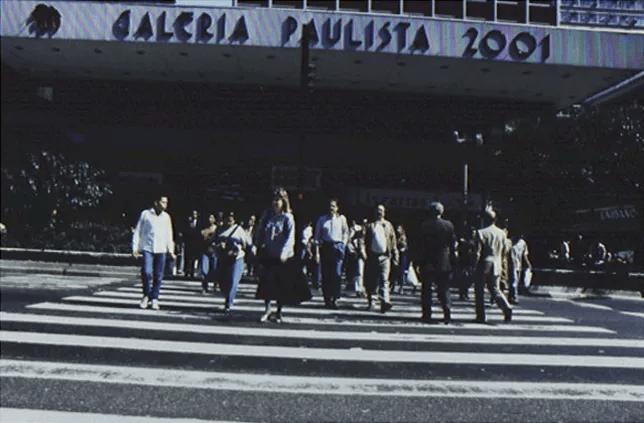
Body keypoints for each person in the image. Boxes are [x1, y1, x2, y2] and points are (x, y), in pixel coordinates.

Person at [255, 188, 310, 323]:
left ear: (284, 202)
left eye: (278, 200)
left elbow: (290, 238)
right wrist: (256, 244)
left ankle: (278, 311)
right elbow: (260, 230)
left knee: (281, 285)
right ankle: (267, 309)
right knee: (266, 283)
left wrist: (284, 253)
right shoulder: (268, 214)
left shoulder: (287, 217)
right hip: (269, 253)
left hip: (282, 257)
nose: (276, 203)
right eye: (274, 200)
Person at [132, 195, 176, 311]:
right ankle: (146, 295)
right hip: (147, 247)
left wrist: (171, 250)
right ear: (156, 202)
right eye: (163, 202)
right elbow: (138, 231)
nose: (165, 205)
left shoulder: (166, 217)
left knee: (158, 275)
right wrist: (135, 248)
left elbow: (169, 234)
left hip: (161, 249)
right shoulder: (146, 214)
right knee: (146, 272)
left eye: (166, 202)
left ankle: (155, 297)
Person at [415, 202, 456, 324]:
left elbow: (421, 245)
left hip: (428, 260)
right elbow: (452, 244)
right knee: (444, 288)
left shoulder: (425, 225)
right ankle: (447, 311)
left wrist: (419, 261)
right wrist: (453, 260)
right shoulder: (449, 225)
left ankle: (427, 313)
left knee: (427, 288)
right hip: (443, 260)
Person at [473, 207, 513, 323]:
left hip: (484, 263)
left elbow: (477, 252)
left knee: (479, 289)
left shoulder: (481, 233)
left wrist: (474, 265)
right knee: (495, 288)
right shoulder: (502, 233)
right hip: (497, 263)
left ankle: (481, 315)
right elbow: (504, 251)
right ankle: (506, 307)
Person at [314, 198, 349, 309]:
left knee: (336, 274)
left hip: (337, 247)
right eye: (330, 206)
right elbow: (317, 236)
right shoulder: (322, 219)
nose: (331, 208)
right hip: (326, 247)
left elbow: (346, 233)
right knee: (326, 274)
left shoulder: (342, 219)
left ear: (337, 208)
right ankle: (327, 299)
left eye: (333, 206)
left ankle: (335, 298)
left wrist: (343, 244)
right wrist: (317, 252)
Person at [214, 212, 252, 314]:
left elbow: (247, 243)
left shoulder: (239, 230)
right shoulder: (219, 230)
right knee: (223, 282)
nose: (229, 221)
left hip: (236, 259)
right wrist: (218, 246)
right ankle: (227, 296)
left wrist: (237, 248)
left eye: (231, 219)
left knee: (233, 281)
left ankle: (228, 303)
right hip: (223, 258)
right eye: (227, 219)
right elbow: (213, 241)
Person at [364, 204, 398, 313]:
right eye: (378, 210)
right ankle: (372, 302)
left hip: (385, 257)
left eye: (381, 210)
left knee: (384, 280)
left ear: (384, 212)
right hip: (372, 257)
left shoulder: (388, 225)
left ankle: (385, 302)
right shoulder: (370, 225)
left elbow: (393, 241)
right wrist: (363, 252)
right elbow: (364, 240)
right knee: (372, 281)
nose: (379, 212)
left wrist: (395, 255)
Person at [510, 232, 533, 301]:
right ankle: (514, 296)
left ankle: (511, 296)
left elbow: (524, 254)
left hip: (518, 265)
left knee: (516, 281)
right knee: (514, 280)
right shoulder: (509, 242)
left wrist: (528, 263)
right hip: (511, 264)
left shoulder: (523, 243)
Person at [200, 213, 218, 294]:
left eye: (211, 217)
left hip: (214, 251)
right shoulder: (203, 229)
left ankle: (215, 284)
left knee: (214, 269)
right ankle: (205, 286)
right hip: (204, 250)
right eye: (208, 217)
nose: (209, 219)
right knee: (204, 269)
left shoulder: (217, 229)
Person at [183, 209, 201, 279]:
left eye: (195, 214)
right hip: (188, 242)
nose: (194, 215)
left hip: (195, 242)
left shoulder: (199, 223)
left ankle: (192, 272)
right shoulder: (188, 222)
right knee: (187, 257)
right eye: (193, 214)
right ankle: (186, 271)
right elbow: (185, 231)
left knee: (193, 258)